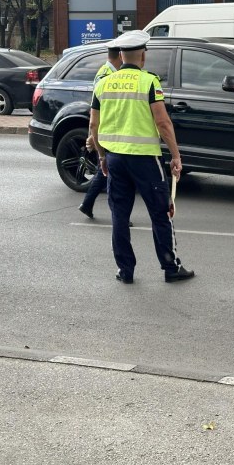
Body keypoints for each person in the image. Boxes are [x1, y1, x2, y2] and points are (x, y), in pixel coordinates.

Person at [89, 30, 194, 284]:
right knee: (160, 213)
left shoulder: (103, 83)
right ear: (143, 56)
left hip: (115, 159)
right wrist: (176, 156)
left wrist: (102, 157)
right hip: (145, 160)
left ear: (121, 55)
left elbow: (93, 125)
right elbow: (163, 122)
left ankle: (126, 271)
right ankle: (170, 267)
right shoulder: (148, 82)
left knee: (120, 216)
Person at [78, 45, 122, 219]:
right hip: (105, 130)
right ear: (120, 55)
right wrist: (93, 135)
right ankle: (118, 214)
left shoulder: (105, 72)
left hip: (105, 129)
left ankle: (87, 204)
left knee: (104, 172)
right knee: (109, 174)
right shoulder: (106, 75)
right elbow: (97, 108)